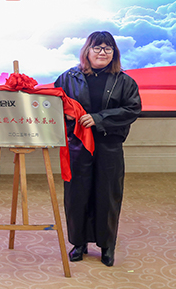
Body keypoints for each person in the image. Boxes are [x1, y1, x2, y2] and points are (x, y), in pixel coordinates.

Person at [54, 31, 141, 267]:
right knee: (76, 195)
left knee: (108, 195)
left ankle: (107, 245)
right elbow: (53, 106)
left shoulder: (124, 81)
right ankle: (79, 243)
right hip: (78, 146)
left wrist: (99, 118)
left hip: (108, 146)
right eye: (97, 47)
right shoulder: (68, 78)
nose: (103, 52)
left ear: (114, 53)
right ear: (87, 51)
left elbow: (132, 109)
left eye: (108, 48)